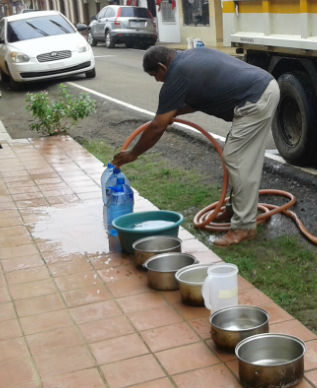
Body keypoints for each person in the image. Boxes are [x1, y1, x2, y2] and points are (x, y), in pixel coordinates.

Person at [111, 45, 280, 247]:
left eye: (155, 75)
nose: (157, 81)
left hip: (255, 99)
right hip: (262, 87)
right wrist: (172, 113)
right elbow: (198, 99)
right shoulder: (190, 57)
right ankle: (234, 210)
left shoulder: (176, 75)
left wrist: (133, 153)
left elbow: (157, 127)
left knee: (237, 158)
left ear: (162, 66)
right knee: (239, 156)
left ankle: (244, 227)